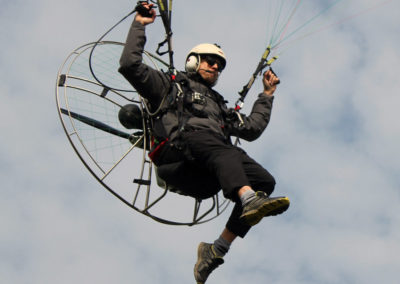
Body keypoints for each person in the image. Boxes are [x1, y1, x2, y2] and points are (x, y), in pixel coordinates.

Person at [119, 3, 290, 283]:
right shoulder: (169, 85)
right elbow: (129, 65)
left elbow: (252, 128)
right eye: (210, 60)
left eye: (219, 65)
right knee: (223, 149)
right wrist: (140, 24)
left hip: (206, 172)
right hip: (177, 157)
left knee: (264, 181)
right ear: (192, 62)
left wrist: (267, 95)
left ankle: (216, 249)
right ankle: (247, 199)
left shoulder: (220, 108)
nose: (215, 66)